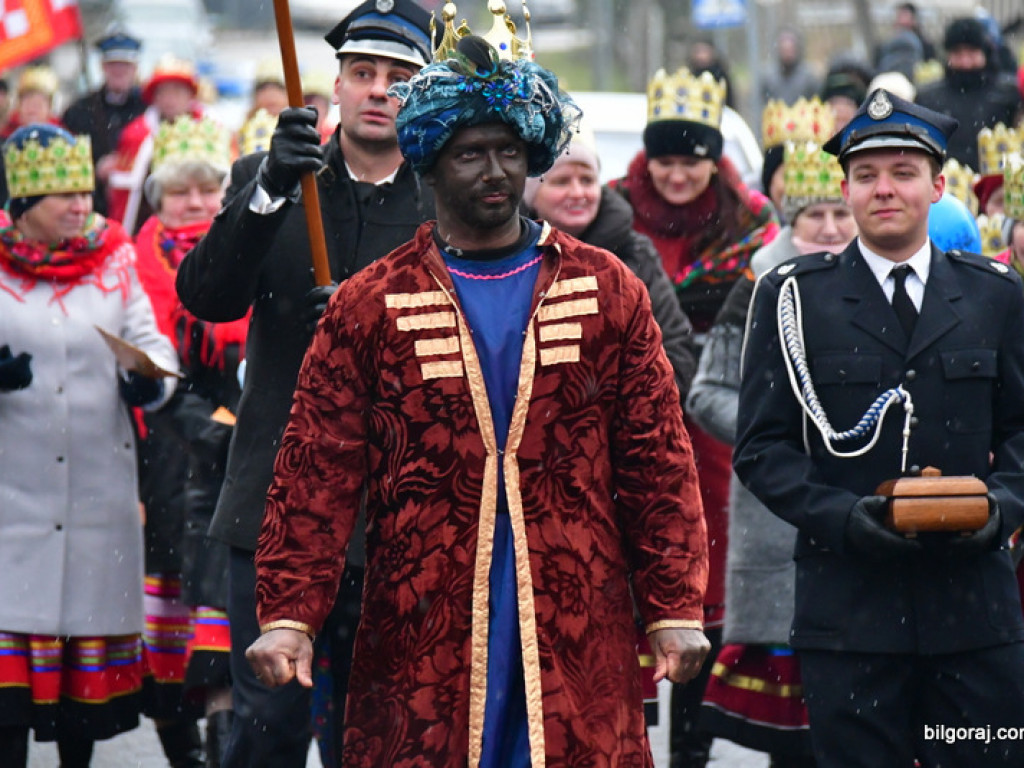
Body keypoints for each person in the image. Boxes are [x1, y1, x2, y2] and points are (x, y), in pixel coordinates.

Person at [245, 23, 711, 764]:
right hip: (418, 619)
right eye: (471, 153)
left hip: (577, 617)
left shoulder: (606, 287)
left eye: (509, 151)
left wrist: (675, 603)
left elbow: (657, 458)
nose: (494, 170)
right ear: (431, 162)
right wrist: (290, 615)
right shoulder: (370, 302)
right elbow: (315, 469)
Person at [174, 1, 437, 764]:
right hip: (273, 502)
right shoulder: (275, 176)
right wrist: (269, 196)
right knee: (267, 730)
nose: (379, 90)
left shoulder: (443, 199)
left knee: (379, 735)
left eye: (398, 77)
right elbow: (207, 296)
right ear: (338, 85)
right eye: (364, 73)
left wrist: (375, 324)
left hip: (397, 509)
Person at [734, 88, 1024, 767]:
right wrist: (839, 517)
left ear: (938, 184)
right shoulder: (794, 298)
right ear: (845, 187)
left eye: (903, 172)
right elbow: (762, 447)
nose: (884, 189)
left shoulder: (996, 294)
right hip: (851, 612)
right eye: (865, 175)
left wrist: (1001, 508)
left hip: (973, 611)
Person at [609, 64, 778, 768]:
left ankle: (694, 741)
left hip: (708, 423)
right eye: (668, 160)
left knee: (704, 580)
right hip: (630, 412)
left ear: (715, 162)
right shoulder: (614, 214)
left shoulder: (748, 225)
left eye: (694, 161)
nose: (679, 176)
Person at [0, 124, 178, 768]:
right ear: (23, 206)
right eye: (65, 196)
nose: (83, 205)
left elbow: (154, 344)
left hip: (99, 494)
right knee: (7, 694)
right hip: (11, 500)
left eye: (85, 191)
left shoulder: (116, 256)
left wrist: (143, 379)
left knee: (82, 692)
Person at [689, 139, 855, 768]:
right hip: (775, 523)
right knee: (788, 738)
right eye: (815, 216)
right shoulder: (757, 285)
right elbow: (708, 392)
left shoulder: (875, 284)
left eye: (840, 214)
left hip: (856, 518)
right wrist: (781, 438)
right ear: (791, 221)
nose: (831, 229)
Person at [132, 114, 238, 768]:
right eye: (180, 193)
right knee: (165, 616)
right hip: (156, 460)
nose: (195, 203)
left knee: (221, 614)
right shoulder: (130, 261)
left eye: (206, 190)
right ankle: (182, 752)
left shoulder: (241, 252)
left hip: (228, 450)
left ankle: (221, 743)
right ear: (158, 199)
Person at [522, 121, 698, 399]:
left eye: (588, 180)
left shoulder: (634, 253)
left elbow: (676, 350)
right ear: (531, 193)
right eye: (561, 181)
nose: (578, 193)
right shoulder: (512, 257)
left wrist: (614, 404)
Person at [107, 55, 203, 233]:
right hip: (151, 224)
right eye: (163, 92)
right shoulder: (135, 134)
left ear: (190, 95)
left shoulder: (211, 130)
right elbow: (124, 198)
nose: (170, 99)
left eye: (177, 91)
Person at [61, 28, 148, 216]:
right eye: (113, 65)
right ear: (103, 66)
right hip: (93, 205)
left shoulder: (149, 108)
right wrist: (95, 167)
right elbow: (64, 157)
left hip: (139, 205)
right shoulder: (79, 110)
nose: (119, 71)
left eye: (125, 65)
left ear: (135, 68)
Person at [916, 16, 1021, 169]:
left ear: (984, 53)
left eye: (972, 53)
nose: (965, 62)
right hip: (946, 181)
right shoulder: (928, 97)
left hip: (996, 182)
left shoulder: (1009, 93)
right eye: (958, 54)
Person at [761, 28, 820, 107]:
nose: (787, 54)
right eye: (784, 50)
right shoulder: (769, 78)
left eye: (790, 50)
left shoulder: (809, 78)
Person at [1, 66, 62, 140]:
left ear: (49, 109)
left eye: (38, 105)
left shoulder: (60, 139)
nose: (32, 109)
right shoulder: (5, 136)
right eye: (28, 104)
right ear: (19, 106)